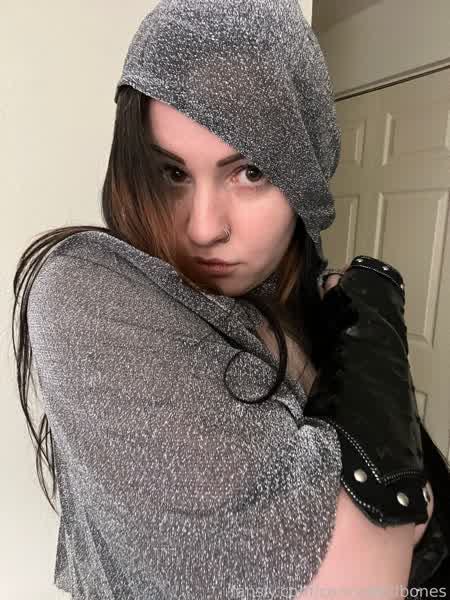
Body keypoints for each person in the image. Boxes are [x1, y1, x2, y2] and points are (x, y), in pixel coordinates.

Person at [11, 1, 449, 598]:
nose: (203, 228)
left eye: (250, 172)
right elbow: (357, 580)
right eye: (172, 174)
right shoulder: (88, 294)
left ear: (304, 177)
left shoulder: (308, 310)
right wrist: (376, 306)